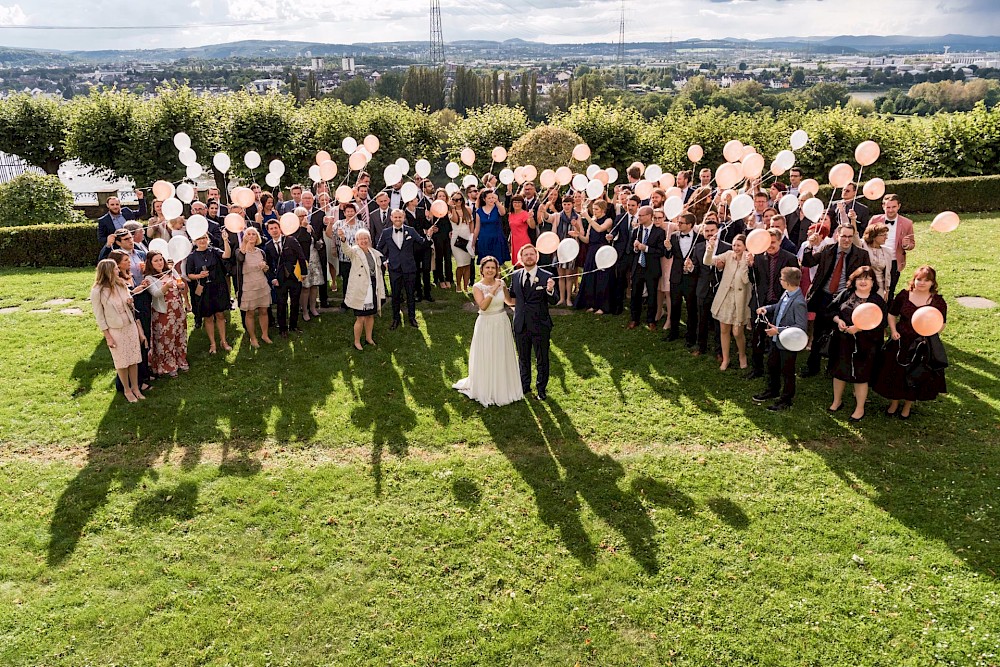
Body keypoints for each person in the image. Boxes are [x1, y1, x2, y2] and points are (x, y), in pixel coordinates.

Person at [873, 265, 948, 419]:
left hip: (922, 344)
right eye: (919, 279)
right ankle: (894, 403)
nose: (921, 283)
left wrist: (928, 335)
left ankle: (907, 406)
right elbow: (892, 314)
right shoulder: (904, 295)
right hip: (901, 341)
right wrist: (893, 331)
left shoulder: (938, 302)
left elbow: (942, 324)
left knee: (915, 375)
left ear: (933, 283)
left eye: (926, 280)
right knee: (896, 373)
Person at [453, 256, 524, 407]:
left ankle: (502, 386)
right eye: (488, 267)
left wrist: (527, 300)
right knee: (487, 353)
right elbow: (483, 306)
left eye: (493, 268)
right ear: (482, 270)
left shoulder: (502, 283)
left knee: (501, 353)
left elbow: (509, 301)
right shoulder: (478, 287)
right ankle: (486, 386)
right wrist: (492, 290)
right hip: (486, 323)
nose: (490, 270)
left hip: (501, 322)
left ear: (497, 270)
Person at [800, 224, 869, 378]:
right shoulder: (827, 250)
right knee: (818, 332)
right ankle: (813, 366)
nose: (846, 240)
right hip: (824, 296)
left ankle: (833, 368)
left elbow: (866, 276)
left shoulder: (861, 254)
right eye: (843, 236)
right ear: (837, 235)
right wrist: (809, 245)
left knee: (840, 335)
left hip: (845, 299)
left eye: (850, 237)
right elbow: (808, 262)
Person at [827, 266, 887, 422]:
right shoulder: (846, 294)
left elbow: (882, 323)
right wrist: (838, 320)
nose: (863, 281)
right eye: (860, 278)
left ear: (873, 282)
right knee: (839, 372)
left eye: (867, 278)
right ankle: (836, 401)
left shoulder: (877, 300)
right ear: (854, 280)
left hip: (865, 344)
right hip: (843, 341)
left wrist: (859, 328)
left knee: (861, 376)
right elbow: (830, 310)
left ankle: (859, 408)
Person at [505, 245, 559, 400]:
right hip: (521, 323)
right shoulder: (515, 275)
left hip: (540, 324)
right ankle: (524, 385)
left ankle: (541, 389)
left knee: (542, 358)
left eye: (531, 254)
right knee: (523, 357)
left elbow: (554, 300)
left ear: (537, 257)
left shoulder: (547, 275)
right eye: (525, 255)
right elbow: (512, 296)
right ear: (520, 258)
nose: (529, 257)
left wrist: (550, 290)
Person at [91, 258, 147, 403]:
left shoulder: (121, 284)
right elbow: (99, 316)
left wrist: (130, 302)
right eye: (115, 268)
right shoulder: (98, 291)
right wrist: (108, 336)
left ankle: (136, 387)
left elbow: (129, 300)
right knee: (122, 361)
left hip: (129, 324)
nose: (118, 270)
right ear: (108, 271)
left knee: (134, 358)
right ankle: (127, 390)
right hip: (115, 329)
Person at [753, 267, 808, 412]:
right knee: (772, 364)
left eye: (781, 279)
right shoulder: (787, 293)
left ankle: (786, 399)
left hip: (788, 342)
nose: (780, 281)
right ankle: (773, 389)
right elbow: (780, 306)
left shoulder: (799, 303)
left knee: (787, 371)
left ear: (788, 282)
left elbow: (800, 326)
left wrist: (778, 330)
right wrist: (768, 308)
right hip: (777, 340)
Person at [748, 229, 800, 379]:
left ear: (779, 241)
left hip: (780, 304)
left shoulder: (789, 258)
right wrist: (750, 267)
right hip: (760, 304)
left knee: (776, 341)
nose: (770, 246)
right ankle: (756, 369)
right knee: (757, 338)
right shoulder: (758, 257)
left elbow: (795, 283)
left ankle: (776, 371)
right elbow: (753, 281)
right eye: (767, 243)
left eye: (773, 242)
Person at [377, 209, 430, 330]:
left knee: (410, 294)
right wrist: (385, 261)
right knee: (395, 295)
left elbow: (422, 243)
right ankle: (395, 319)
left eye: (399, 217)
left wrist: (428, 235)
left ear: (403, 217)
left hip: (409, 267)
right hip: (394, 268)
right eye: (395, 217)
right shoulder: (386, 232)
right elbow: (379, 248)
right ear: (391, 218)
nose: (397, 219)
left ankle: (412, 317)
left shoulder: (410, 230)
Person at [705, 232, 750, 371]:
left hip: (740, 300)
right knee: (724, 330)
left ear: (745, 246)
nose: (736, 248)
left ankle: (742, 355)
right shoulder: (728, 254)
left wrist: (743, 261)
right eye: (734, 245)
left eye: (739, 246)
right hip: (725, 297)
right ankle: (726, 358)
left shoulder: (749, 259)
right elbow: (708, 261)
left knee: (737, 332)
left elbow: (745, 279)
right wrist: (710, 248)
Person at [224, 227, 272, 348]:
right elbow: (240, 259)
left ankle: (265, 335)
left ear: (257, 237)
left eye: (253, 234)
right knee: (250, 313)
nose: (251, 236)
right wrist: (244, 245)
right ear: (245, 237)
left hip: (261, 284)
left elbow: (267, 269)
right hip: (248, 286)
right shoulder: (240, 252)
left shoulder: (261, 252)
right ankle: (253, 337)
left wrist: (264, 267)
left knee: (263, 310)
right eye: (248, 234)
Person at [143, 251, 189, 376]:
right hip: (163, 313)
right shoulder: (149, 278)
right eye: (156, 261)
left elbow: (182, 288)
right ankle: (168, 365)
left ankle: (181, 360)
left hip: (178, 310)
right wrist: (166, 287)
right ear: (150, 263)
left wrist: (182, 286)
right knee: (166, 338)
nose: (159, 263)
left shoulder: (171, 271)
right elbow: (156, 293)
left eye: (161, 260)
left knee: (180, 335)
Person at [339, 228, 385, 351]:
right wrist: (343, 238)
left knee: (370, 316)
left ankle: (369, 338)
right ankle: (357, 341)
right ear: (356, 240)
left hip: (373, 286)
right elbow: (346, 250)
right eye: (361, 239)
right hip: (361, 288)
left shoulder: (373, 252)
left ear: (369, 240)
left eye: (366, 238)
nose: (363, 241)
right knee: (361, 318)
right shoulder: (354, 251)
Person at [185, 233, 231, 354]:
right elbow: (189, 274)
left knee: (220, 315)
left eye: (204, 238)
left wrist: (225, 240)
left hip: (218, 287)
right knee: (208, 317)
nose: (202, 241)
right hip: (204, 290)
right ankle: (213, 343)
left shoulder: (214, 251)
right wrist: (199, 276)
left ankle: (223, 341)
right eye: (199, 239)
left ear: (208, 239)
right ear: (195, 241)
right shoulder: (192, 257)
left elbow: (227, 255)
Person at [665, 212, 704, 349]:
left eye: (681, 223)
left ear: (690, 225)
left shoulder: (700, 239)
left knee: (691, 308)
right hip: (676, 277)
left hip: (691, 278)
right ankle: (673, 332)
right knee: (675, 306)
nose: (678, 224)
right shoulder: (674, 236)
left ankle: (691, 336)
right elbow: (669, 255)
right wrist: (668, 248)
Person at [263, 219, 308, 338]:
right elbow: (268, 265)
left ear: (280, 228)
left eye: (275, 228)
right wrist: (272, 279)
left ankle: (293, 326)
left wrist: (303, 273)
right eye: (271, 229)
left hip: (294, 276)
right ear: (268, 231)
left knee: (295, 302)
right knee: (281, 304)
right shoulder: (267, 246)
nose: (274, 230)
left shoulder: (290, 240)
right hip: (279, 279)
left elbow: (301, 256)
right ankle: (282, 328)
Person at [866, 194, 915, 298]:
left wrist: (906, 245)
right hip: (874, 258)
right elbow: (866, 238)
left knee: (890, 290)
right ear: (883, 206)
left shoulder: (907, 223)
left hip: (893, 261)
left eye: (894, 207)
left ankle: (887, 311)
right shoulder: (875, 219)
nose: (891, 210)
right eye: (888, 207)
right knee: (870, 287)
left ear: (899, 206)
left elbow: (912, 244)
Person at [628, 206, 666, 331]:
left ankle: (651, 320)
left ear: (649, 216)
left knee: (652, 294)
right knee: (635, 294)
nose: (639, 218)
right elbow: (630, 249)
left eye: (641, 215)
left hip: (651, 268)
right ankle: (634, 318)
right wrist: (635, 248)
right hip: (638, 266)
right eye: (639, 215)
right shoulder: (636, 230)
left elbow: (660, 251)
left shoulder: (659, 232)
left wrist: (646, 248)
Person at [695, 218, 728, 359]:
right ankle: (700, 346)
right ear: (703, 232)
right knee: (701, 320)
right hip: (703, 289)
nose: (710, 234)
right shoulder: (698, 247)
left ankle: (720, 351)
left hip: (720, 289)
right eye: (707, 231)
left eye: (712, 231)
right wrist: (690, 268)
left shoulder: (727, 247)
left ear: (718, 231)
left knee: (718, 323)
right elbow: (696, 269)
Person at [574, 199, 614, 314]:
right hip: (592, 251)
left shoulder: (608, 220)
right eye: (593, 209)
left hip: (603, 251)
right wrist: (578, 235)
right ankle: (591, 303)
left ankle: (602, 306)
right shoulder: (592, 221)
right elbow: (587, 240)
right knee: (591, 278)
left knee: (602, 278)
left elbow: (600, 229)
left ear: (603, 209)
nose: (594, 211)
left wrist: (587, 217)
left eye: (596, 209)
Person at [544, 196, 584, 306]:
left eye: (568, 204)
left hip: (571, 248)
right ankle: (561, 299)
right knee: (561, 275)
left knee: (569, 275)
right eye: (564, 204)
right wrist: (544, 209)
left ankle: (568, 299)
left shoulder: (577, 217)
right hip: (559, 248)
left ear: (572, 205)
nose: (566, 206)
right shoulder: (557, 216)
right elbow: (547, 217)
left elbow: (581, 232)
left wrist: (576, 226)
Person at [330, 202, 367, 310]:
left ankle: (359, 300)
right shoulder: (338, 224)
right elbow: (333, 237)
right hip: (344, 256)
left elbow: (366, 239)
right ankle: (347, 302)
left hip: (358, 257)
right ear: (344, 213)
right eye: (348, 211)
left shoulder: (361, 224)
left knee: (359, 279)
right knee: (346, 279)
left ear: (356, 212)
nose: (350, 213)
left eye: (352, 211)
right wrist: (333, 249)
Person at [404, 194, 435, 302]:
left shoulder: (421, 211)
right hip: (413, 246)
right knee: (416, 270)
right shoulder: (404, 214)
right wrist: (423, 231)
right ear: (409, 201)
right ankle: (418, 293)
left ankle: (428, 292)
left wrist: (430, 227)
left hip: (425, 244)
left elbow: (427, 225)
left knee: (426, 269)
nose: (417, 200)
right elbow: (409, 230)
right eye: (415, 198)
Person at [473, 189, 510, 267]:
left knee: (497, 263)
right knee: (485, 263)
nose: (491, 200)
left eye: (492, 197)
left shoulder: (497, 208)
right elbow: (477, 228)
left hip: (497, 239)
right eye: (489, 198)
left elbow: (503, 213)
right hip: (484, 240)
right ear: (484, 199)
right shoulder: (479, 211)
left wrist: (497, 202)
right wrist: (473, 242)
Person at [857, 223, 892, 301]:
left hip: (880, 286)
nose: (886, 238)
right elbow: (854, 237)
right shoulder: (863, 246)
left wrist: (887, 290)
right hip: (863, 283)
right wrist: (853, 219)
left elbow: (887, 273)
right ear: (874, 236)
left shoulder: (887, 251)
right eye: (883, 235)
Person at [451, 194, 475, 293]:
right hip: (456, 238)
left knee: (467, 264)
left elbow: (471, 223)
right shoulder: (450, 211)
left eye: (460, 199)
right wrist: (453, 208)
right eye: (456, 200)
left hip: (467, 237)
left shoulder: (468, 210)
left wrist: (472, 237)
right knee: (460, 264)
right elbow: (455, 220)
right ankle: (458, 285)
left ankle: (466, 286)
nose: (458, 201)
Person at [430, 188, 454, 289]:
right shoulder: (433, 207)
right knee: (438, 258)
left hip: (447, 234)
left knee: (448, 258)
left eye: (444, 196)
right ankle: (439, 279)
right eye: (440, 196)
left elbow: (453, 221)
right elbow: (430, 222)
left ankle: (449, 278)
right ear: (436, 197)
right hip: (437, 235)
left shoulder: (449, 207)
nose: (442, 198)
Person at [508, 194, 534, 268]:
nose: (517, 204)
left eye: (519, 202)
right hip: (514, 241)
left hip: (523, 240)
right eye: (515, 202)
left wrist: (531, 218)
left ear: (522, 204)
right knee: (516, 263)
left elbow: (532, 226)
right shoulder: (511, 214)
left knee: (523, 262)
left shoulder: (524, 214)